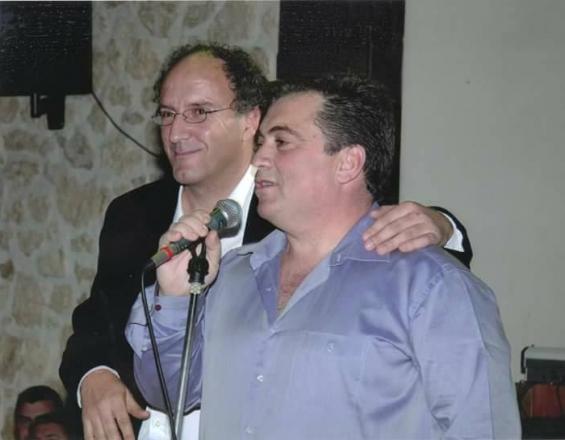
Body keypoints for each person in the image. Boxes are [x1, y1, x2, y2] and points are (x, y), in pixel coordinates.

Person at [59, 43, 472, 440]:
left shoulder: (292, 206)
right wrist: (94, 375)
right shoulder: (133, 213)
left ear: (249, 120)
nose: (177, 132)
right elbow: (99, 317)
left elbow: (378, 233)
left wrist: (444, 225)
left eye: (198, 112)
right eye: (167, 114)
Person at [128, 76, 520, 439]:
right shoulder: (231, 275)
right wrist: (175, 299)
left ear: (348, 163)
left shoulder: (432, 286)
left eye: (281, 142)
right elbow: (169, 393)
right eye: (261, 142)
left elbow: (482, 429)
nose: (258, 159)